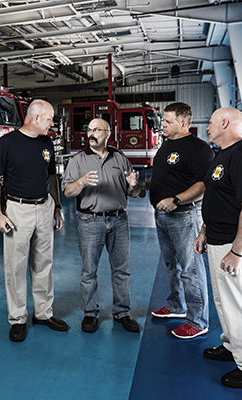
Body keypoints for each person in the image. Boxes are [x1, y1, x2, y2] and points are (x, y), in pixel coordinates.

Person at [193, 107, 242, 389]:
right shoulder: (221, 155)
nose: (208, 127)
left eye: (211, 123)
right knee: (225, 303)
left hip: (237, 246)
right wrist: (204, 231)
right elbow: (215, 197)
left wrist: (237, 252)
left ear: (225, 122)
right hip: (218, 240)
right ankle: (233, 345)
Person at [0, 99, 69, 342]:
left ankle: (43, 313)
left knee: (44, 263)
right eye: (49, 119)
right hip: (17, 210)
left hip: (44, 208)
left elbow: (52, 176)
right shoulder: (6, 143)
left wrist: (56, 207)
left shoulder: (47, 143)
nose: (51, 124)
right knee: (16, 267)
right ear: (35, 118)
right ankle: (18, 318)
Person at [139, 102, 213, 339]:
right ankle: (176, 305)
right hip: (161, 215)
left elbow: (203, 184)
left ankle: (198, 320)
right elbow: (164, 175)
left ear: (183, 123)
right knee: (172, 265)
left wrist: (177, 200)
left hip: (183, 215)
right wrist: (144, 185)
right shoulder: (167, 145)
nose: (163, 125)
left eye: (168, 121)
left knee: (191, 269)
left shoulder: (198, 148)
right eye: (163, 120)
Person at [62, 118, 142, 333]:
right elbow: (67, 192)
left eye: (96, 130)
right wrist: (80, 182)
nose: (91, 133)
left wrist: (134, 186)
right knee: (89, 270)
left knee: (121, 270)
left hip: (119, 220)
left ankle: (122, 312)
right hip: (90, 221)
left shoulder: (120, 158)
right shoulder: (77, 160)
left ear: (108, 134)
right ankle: (90, 313)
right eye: (89, 129)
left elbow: (133, 193)